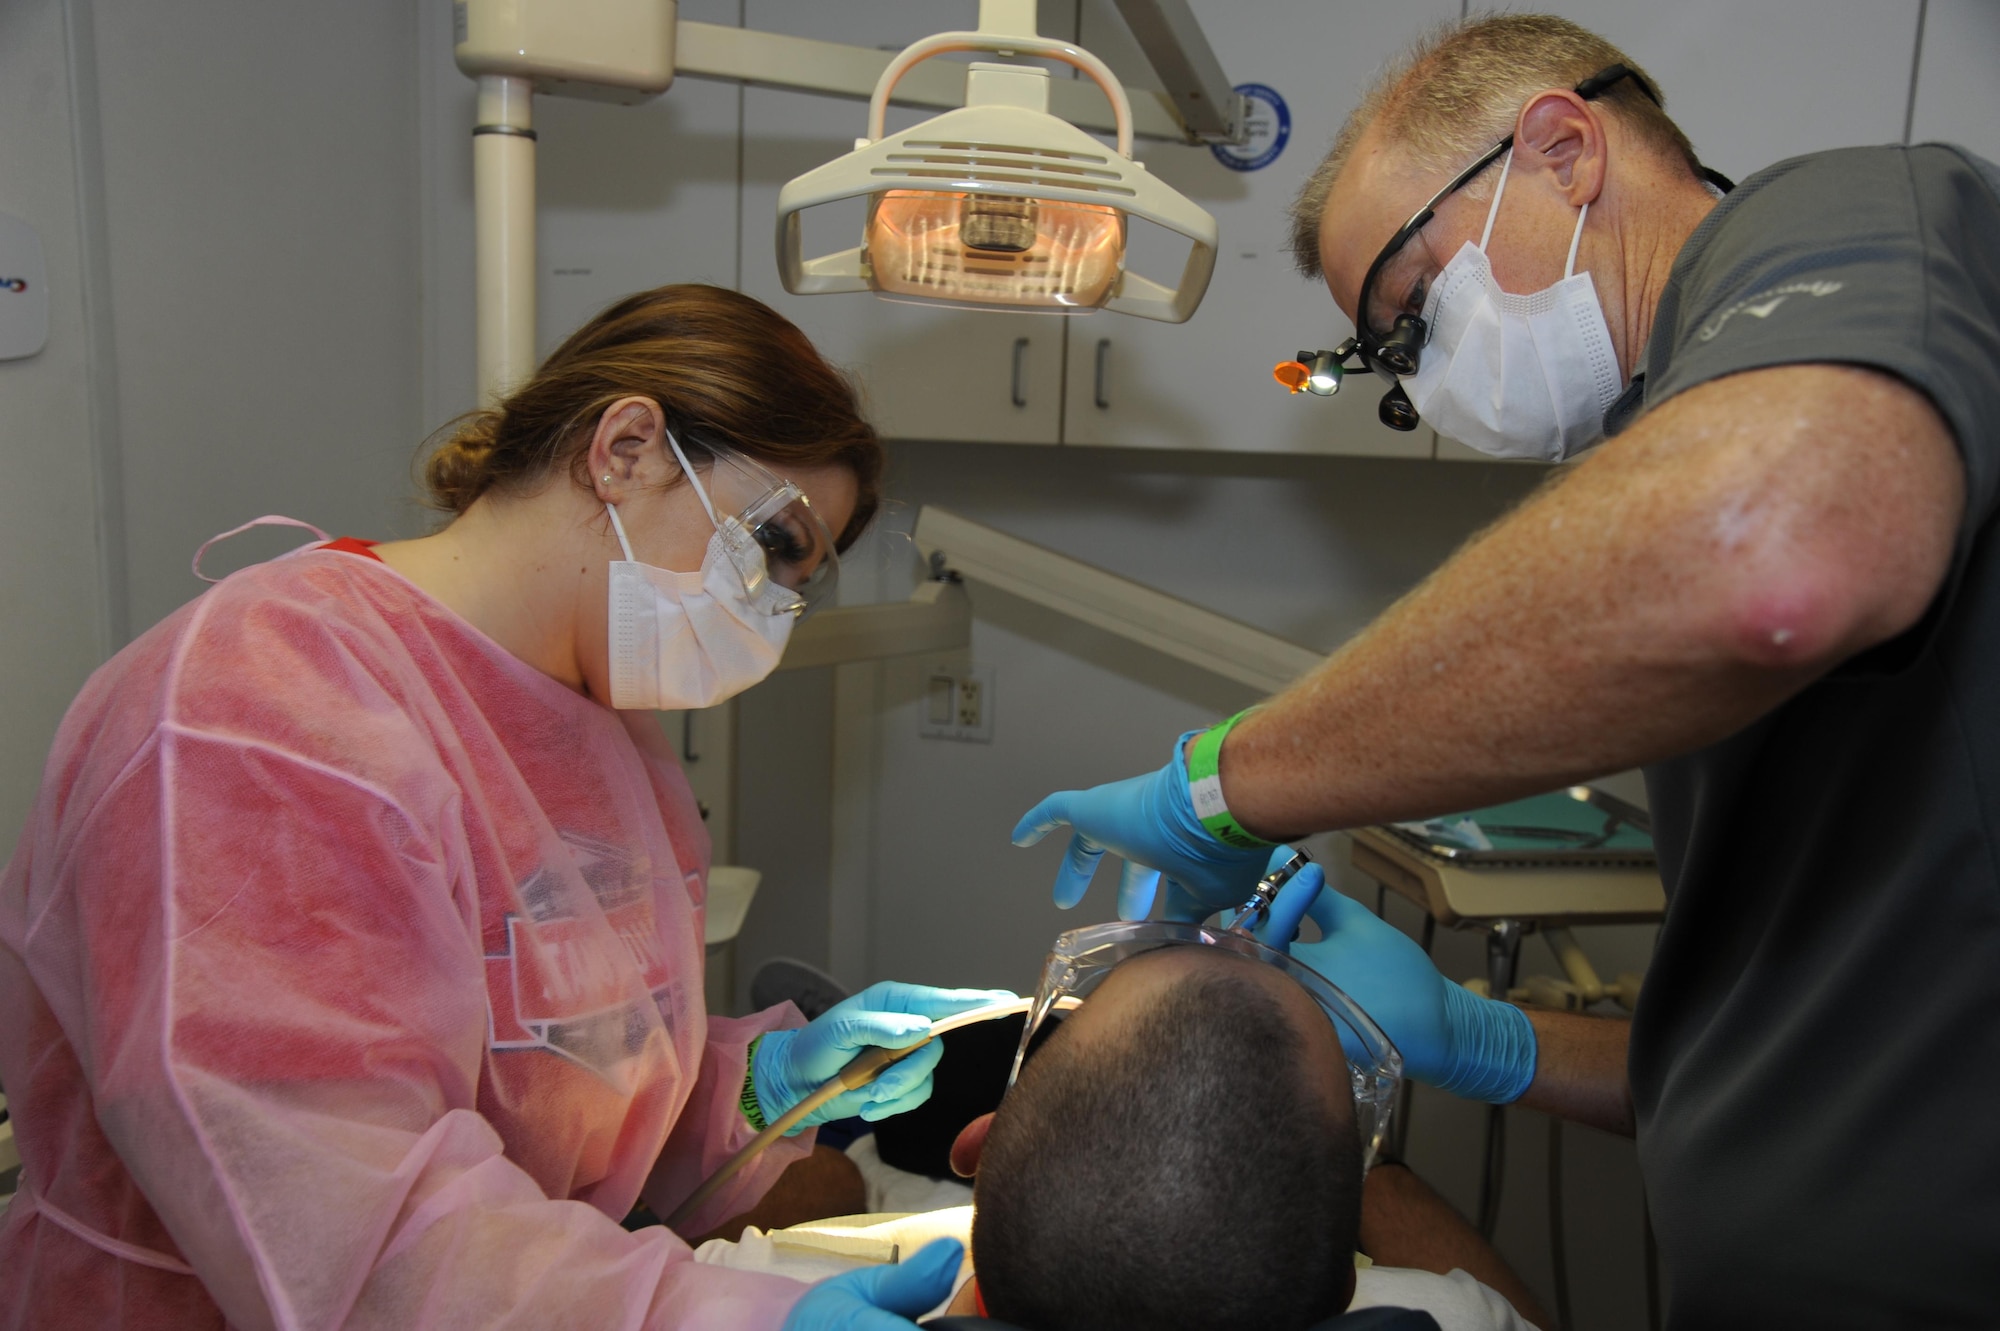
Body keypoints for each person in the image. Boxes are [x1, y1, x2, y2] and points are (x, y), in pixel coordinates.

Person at [1011, 13, 2000, 1327]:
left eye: (1411, 312)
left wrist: (1227, 784)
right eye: (1391, 364)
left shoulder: (1854, 212)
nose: (1421, 380)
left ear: (1563, 149)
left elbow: (1772, 551)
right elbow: (1800, 1051)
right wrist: (1489, 1038)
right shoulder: (1680, 445)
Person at [0, 283, 1011, 1329]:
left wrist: (756, 1087)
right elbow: (345, 1221)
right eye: (769, 549)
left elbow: (563, 1068)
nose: (766, 616)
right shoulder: (257, 706)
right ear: (625, 447)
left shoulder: (600, 726)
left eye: (793, 585)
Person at [697, 936, 1546, 1330]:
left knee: (845, 1178)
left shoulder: (744, 1291)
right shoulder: (1453, 1310)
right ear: (1344, 1279)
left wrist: (757, 1089)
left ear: (978, 1150)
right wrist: (1356, 1172)